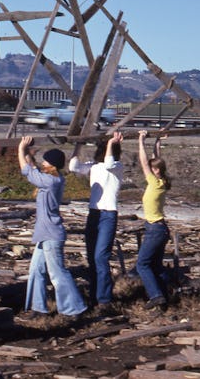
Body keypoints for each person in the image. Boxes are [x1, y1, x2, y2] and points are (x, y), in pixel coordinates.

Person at [18, 136, 87, 318]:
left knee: (57, 273)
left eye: (46, 160)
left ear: (53, 165)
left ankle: (74, 308)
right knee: (35, 271)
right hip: (44, 234)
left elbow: (26, 170)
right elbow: (32, 167)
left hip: (51, 234)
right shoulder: (50, 178)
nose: (43, 162)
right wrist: (27, 153)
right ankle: (38, 308)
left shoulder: (50, 182)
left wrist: (20, 147)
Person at [68, 132, 124, 308]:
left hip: (108, 214)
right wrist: (79, 145)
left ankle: (104, 299)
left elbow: (108, 162)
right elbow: (73, 167)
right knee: (92, 257)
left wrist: (110, 143)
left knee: (101, 256)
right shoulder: (94, 166)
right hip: (94, 213)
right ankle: (94, 295)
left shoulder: (116, 166)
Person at [136, 130, 172, 309]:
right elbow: (155, 160)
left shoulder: (153, 181)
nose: (148, 170)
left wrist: (141, 140)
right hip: (160, 229)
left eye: (152, 168)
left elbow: (144, 162)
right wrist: (157, 142)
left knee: (142, 264)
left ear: (155, 171)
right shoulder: (161, 181)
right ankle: (167, 294)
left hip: (155, 230)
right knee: (156, 266)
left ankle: (156, 295)